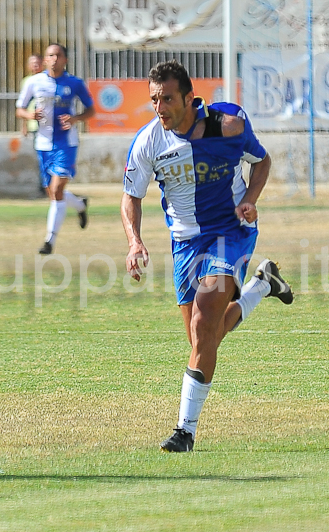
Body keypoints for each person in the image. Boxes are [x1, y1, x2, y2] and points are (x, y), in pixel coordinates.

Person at [120, 59, 294, 453]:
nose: (159, 108)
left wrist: (250, 199)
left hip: (229, 233)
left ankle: (185, 431)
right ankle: (262, 286)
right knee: (206, 336)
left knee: (204, 316)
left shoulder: (228, 125)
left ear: (188, 97)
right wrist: (135, 241)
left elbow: (261, 161)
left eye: (167, 99)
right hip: (184, 244)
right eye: (153, 100)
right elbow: (131, 196)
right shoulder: (149, 141)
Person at [15, 44, 94, 254]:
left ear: (65, 60)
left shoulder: (74, 83)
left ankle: (49, 241)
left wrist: (76, 118)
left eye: (58, 55)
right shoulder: (34, 82)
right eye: (51, 55)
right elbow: (20, 109)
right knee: (52, 192)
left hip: (66, 143)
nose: (54, 59)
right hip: (42, 144)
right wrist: (30, 115)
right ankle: (80, 205)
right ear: (45, 60)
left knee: (57, 191)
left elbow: (91, 110)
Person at [19, 54, 47, 198]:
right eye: (32, 63)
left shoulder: (47, 80)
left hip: (47, 124)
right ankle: (42, 187)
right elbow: (22, 105)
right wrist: (24, 125)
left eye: (38, 63)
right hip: (33, 124)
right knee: (40, 157)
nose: (35, 66)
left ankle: (49, 185)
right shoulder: (27, 81)